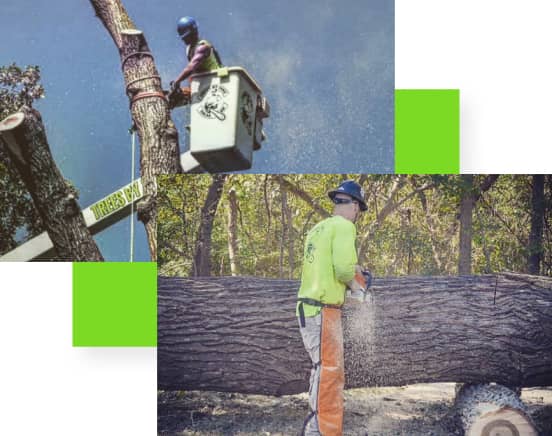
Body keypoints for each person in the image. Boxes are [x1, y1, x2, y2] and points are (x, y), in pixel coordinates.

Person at [296, 180, 367, 436]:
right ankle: (322, 432)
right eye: (359, 210)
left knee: (321, 368)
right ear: (356, 206)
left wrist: (357, 273)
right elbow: (343, 268)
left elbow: (329, 267)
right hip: (323, 311)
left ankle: (314, 428)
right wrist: (358, 289)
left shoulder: (318, 228)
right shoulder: (345, 226)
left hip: (308, 307)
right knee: (330, 372)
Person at [168, 16, 223, 106]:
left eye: (185, 36)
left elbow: (191, 67)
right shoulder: (189, 49)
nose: (183, 39)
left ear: (193, 33)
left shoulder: (203, 47)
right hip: (203, 84)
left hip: (215, 83)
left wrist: (177, 82)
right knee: (175, 98)